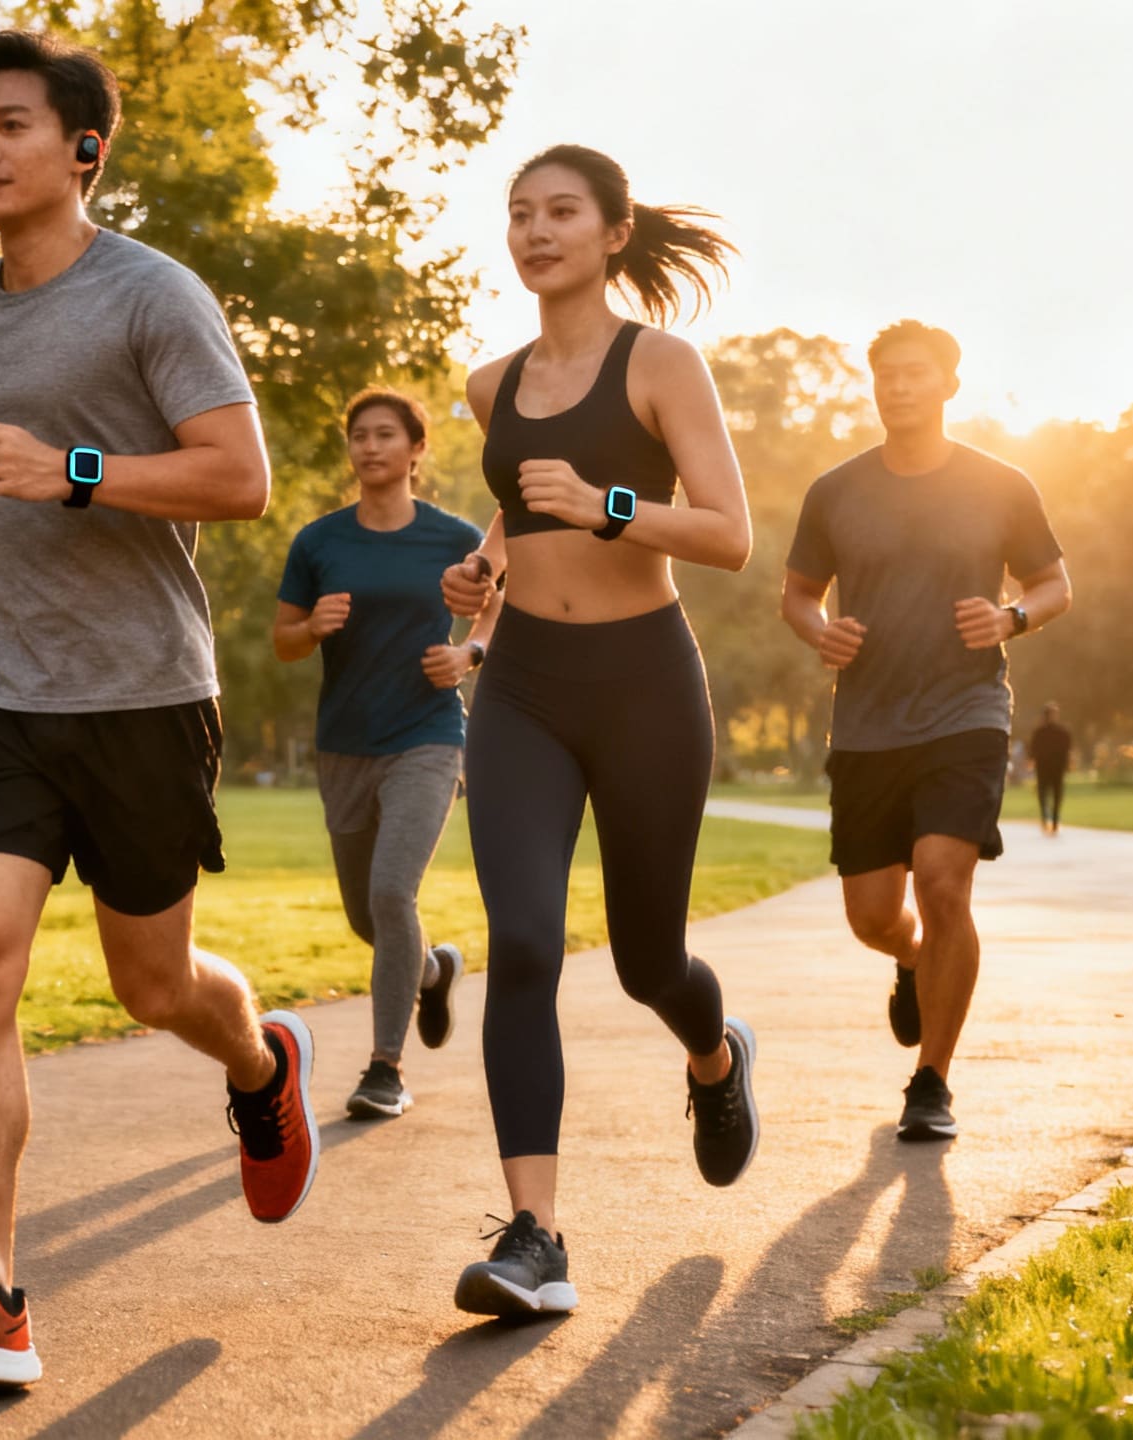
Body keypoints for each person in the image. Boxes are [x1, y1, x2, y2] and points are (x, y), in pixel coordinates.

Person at [0, 30, 316, 1393]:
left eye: (9, 126)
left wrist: (71, 472)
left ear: (83, 149)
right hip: (2, 687)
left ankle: (258, 1059)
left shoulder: (151, 295)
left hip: (144, 691)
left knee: (152, 980)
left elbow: (238, 478)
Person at [437, 144, 761, 1318]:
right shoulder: (489, 383)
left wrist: (612, 507)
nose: (535, 231)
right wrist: (484, 563)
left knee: (644, 960)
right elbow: (518, 503)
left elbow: (730, 534)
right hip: (522, 686)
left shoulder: (661, 364)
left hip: (642, 682)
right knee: (522, 943)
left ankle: (716, 1055)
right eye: (518, 213)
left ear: (612, 233)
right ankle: (535, 1238)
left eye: (560, 212)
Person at [782, 320, 1071, 1143]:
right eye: (887, 375)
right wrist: (817, 631)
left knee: (945, 882)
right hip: (867, 725)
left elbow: (1054, 583)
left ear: (948, 384)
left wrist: (1013, 616)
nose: (899, 387)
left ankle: (931, 1081)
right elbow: (798, 594)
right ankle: (911, 961)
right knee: (873, 915)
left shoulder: (1000, 483)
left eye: (916, 374)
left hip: (964, 711)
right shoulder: (834, 491)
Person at [274, 387, 491, 1119]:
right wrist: (314, 627)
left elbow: (504, 602)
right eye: (359, 435)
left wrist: (469, 657)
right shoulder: (320, 542)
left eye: (386, 435)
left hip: (428, 737)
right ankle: (431, 971)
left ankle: (384, 1069)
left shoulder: (454, 538)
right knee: (368, 918)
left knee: (394, 893)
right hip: (345, 744)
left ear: (416, 449)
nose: (370, 447)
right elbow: (282, 641)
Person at [1029, 703, 1072, 835]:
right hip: (1053, 768)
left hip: (1047, 768)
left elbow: (1032, 751)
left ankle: (1050, 819)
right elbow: (1068, 751)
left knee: (1046, 794)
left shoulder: (1039, 733)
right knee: (1053, 795)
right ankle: (1050, 819)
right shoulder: (1062, 732)